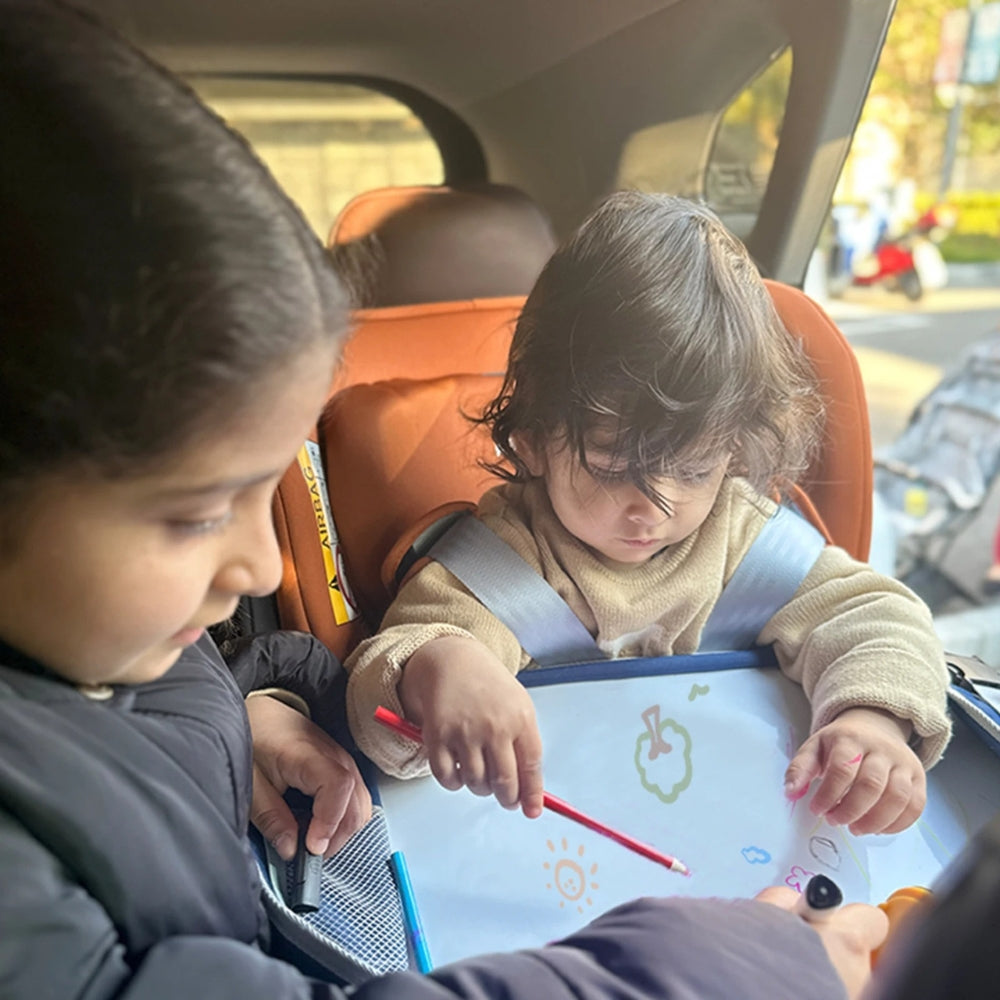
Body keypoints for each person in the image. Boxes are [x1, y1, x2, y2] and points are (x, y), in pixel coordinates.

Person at [0, 2, 889, 998]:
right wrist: (699, 974)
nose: (264, 568)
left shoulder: (117, 643)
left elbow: (175, 699)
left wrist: (253, 711)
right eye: (197, 513)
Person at [344, 191, 952, 837]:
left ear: (734, 448)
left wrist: (871, 719)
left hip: (728, 826)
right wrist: (439, 670)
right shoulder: (504, 563)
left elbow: (878, 616)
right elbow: (393, 670)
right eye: (612, 467)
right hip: (558, 841)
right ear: (533, 439)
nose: (653, 507)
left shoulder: (744, 540)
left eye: (694, 469)